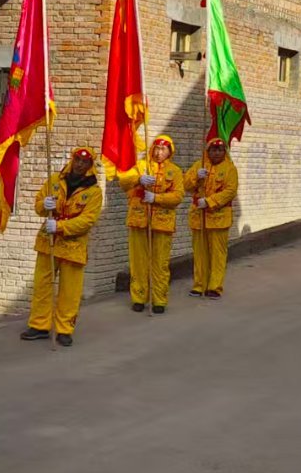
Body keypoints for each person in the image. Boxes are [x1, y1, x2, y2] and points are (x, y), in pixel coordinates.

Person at [22, 147, 103, 346]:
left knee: (70, 290)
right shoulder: (55, 180)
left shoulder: (94, 191)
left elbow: (87, 220)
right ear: (72, 160)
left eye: (85, 162)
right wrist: (45, 205)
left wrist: (60, 226)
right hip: (48, 242)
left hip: (73, 245)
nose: (80, 164)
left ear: (90, 166)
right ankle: (39, 325)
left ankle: (64, 328)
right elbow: (38, 204)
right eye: (77, 160)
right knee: (42, 285)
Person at [117, 134, 185, 313]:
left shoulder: (175, 171)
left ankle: (159, 300)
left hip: (162, 224)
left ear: (170, 151)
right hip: (139, 221)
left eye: (163, 149)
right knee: (138, 262)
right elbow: (123, 182)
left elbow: (178, 197)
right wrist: (138, 180)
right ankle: (139, 297)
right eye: (156, 147)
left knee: (160, 264)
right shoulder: (140, 166)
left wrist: (157, 198)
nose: (159, 151)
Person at [185, 135, 240, 299]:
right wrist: (196, 177)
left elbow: (230, 191)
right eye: (213, 150)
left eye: (220, 149)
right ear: (207, 151)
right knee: (200, 254)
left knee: (217, 255)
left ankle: (214, 287)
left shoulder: (230, 168)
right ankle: (199, 284)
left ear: (224, 151)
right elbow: (186, 185)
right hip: (199, 218)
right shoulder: (199, 165)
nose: (216, 153)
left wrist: (209, 202)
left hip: (219, 218)